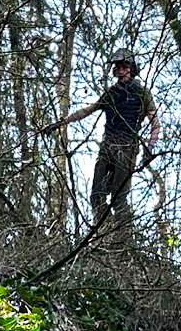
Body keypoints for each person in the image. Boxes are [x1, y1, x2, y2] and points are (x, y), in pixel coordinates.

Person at [51, 54, 159, 221]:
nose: (121, 70)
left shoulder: (141, 92)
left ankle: (124, 237)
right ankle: (102, 231)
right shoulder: (112, 93)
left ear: (131, 68)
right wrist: (61, 123)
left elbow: (155, 123)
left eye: (124, 66)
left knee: (119, 199)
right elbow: (88, 110)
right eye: (118, 67)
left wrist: (150, 147)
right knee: (97, 195)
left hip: (127, 146)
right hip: (107, 145)